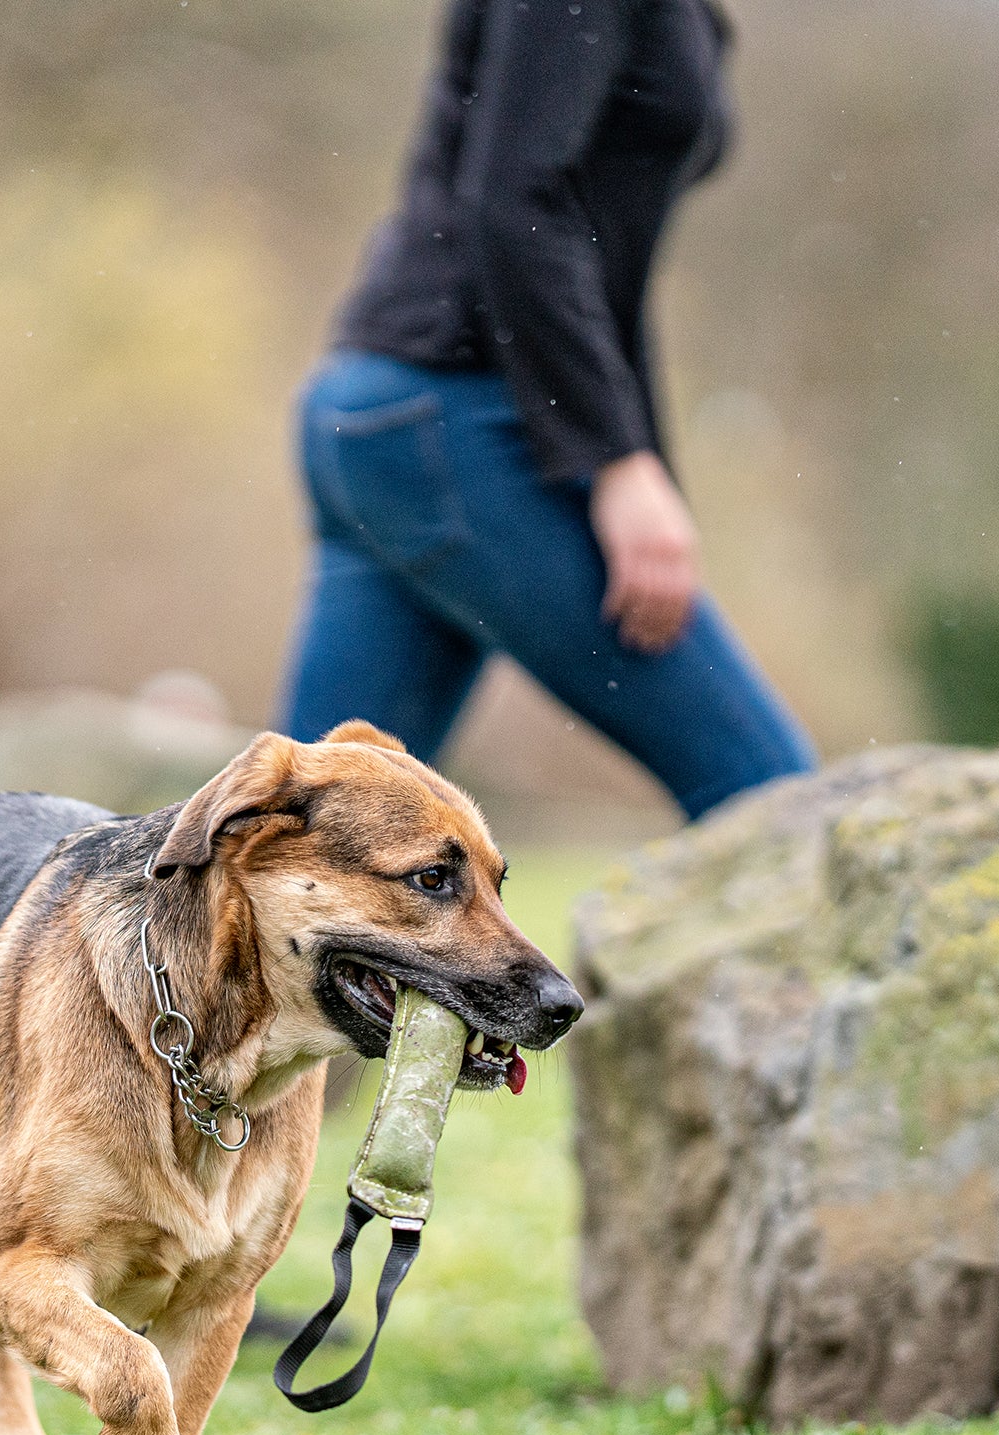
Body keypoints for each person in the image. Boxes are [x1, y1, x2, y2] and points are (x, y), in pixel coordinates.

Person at [277, 0, 816, 820]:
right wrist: (620, 461)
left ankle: (128, 949)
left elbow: (592, 261)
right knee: (775, 801)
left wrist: (636, 457)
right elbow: (517, 205)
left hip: (388, 417)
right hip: (456, 418)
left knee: (297, 841)